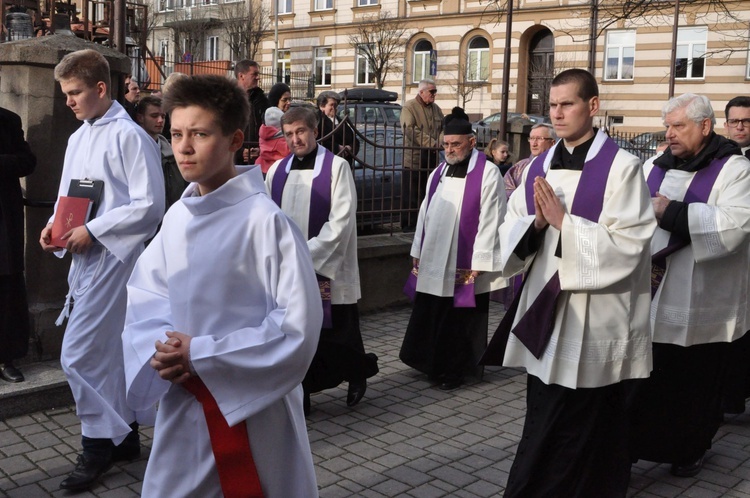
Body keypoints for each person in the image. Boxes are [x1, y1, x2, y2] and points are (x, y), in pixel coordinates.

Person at [122, 74, 321, 497]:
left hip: (253, 407)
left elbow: (296, 329)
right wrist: (163, 350)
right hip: (185, 399)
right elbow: (146, 296)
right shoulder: (177, 217)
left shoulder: (266, 223)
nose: (184, 147)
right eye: (176, 133)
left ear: (234, 139)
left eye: (200, 133)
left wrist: (203, 354)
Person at [484, 68, 656, 496]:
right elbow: (511, 227)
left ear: (592, 107)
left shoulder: (623, 168)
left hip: (597, 313)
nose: (557, 114)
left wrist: (567, 224)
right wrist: (538, 226)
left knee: (591, 412)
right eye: (553, 105)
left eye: (567, 104)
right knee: (545, 408)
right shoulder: (537, 165)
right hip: (547, 307)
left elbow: (632, 243)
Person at [38, 49, 165, 491]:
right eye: (65, 94)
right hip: (83, 255)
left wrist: (95, 230)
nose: (69, 102)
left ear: (100, 88)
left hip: (115, 258)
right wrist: (54, 226)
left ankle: (97, 445)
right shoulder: (79, 137)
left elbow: (150, 204)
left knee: (76, 355)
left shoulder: (131, 137)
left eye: (75, 93)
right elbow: (68, 194)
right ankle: (126, 433)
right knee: (108, 352)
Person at [629, 94, 750, 477]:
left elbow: (735, 226)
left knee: (692, 384)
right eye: (667, 126)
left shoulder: (735, 169)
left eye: (678, 126)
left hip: (700, 295)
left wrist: (671, 212)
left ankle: (688, 449)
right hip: (650, 292)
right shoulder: (653, 165)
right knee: (645, 380)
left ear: (704, 126)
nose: (669, 134)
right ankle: (632, 447)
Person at [266, 106, 379, 415]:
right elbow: (267, 219)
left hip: (328, 265)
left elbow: (341, 220)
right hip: (290, 270)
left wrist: (307, 254)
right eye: (288, 134)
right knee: (299, 334)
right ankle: (302, 393)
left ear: (315, 131)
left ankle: (358, 373)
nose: (295, 139)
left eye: (300, 131)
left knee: (339, 334)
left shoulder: (337, 167)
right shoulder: (277, 171)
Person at [399, 107, 506, 391]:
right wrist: (417, 247)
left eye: (455, 144)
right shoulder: (438, 173)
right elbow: (425, 212)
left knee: (458, 318)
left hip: (465, 259)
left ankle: (454, 371)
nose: (450, 149)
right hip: (435, 255)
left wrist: (480, 258)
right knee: (432, 312)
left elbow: (492, 218)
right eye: (446, 144)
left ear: (471, 142)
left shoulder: (488, 174)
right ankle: (429, 363)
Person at [0, 107, 36, 383]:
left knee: (7, 286)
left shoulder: (8, 119)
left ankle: (6, 357)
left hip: (3, 218)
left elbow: (28, 161)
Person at [721, 96, 750, 415]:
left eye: (747, 121)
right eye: (734, 121)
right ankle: (728, 398)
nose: (740, 126)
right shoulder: (719, 159)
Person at [401, 79, 444, 232]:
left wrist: (439, 142)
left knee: (428, 192)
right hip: (414, 157)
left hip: (432, 157)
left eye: (435, 91)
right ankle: (409, 226)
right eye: (432, 92)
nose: (434, 95)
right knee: (412, 194)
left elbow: (443, 128)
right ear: (421, 92)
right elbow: (410, 129)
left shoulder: (436, 109)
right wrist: (431, 143)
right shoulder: (409, 107)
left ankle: (426, 223)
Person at [134, 95, 189, 211]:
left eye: (163, 116)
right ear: (140, 118)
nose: (160, 120)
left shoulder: (173, 154)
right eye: (154, 116)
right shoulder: (132, 152)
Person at [504, 123, 556, 199]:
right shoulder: (519, 167)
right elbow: (505, 192)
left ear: (552, 143)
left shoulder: (558, 167)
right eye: (531, 138)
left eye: (539, 138)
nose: (534, 144)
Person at [234, 59, 270, 165]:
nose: (258, 77)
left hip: (258, 160)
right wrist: (240, 152)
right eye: (254, 74)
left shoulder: (262, 100)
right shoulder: (229, 100)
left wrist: (261, 149)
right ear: (241, 76)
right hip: (235, 162)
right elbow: (222, 133)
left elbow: (270, 129)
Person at [317, 90, 360, 166]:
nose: (334, 108)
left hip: (345, 164)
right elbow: (317, 141)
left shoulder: (341, 120)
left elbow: (355, 141)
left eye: (336, 105)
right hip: (327, 164)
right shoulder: (317, 120)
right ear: (322, 106)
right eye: (331, 105)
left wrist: (349, 148)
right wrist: (337, 148)